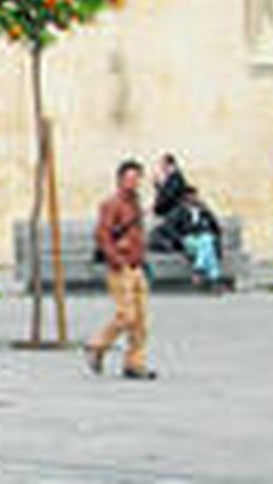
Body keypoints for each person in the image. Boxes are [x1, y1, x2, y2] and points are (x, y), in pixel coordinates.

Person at [86, 159, 157, 380]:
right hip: (121, 267)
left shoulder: (136, 204)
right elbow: (102, 235)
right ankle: (97, 345)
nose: (133, 182)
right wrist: (115, 259)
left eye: (137, 178)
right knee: (127, 316)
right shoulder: (111, 204)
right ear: (119, 180)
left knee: (141, 322)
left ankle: (134, 364)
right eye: (129, 178)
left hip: (137, 266)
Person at [162, 186, 224, 289]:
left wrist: (207, 212)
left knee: (207, 242)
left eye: (194, 196)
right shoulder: (178, 212)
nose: (193, 199)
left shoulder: (203, 211)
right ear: (184, 198)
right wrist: (179, 239)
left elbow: (216, 228)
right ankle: (213, 279)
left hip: (202, 240)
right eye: (189, 196)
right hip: (188, 240)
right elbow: (168, 228)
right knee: (207, 245)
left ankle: (201, 270)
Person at [151, 152, 189, 220]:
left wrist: (158, 185)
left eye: (162, 164)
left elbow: (169, 195)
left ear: (169, 164)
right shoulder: (170, 177)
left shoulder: (175, 178)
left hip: (169, 214)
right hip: (167, 213)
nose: (161, 167)